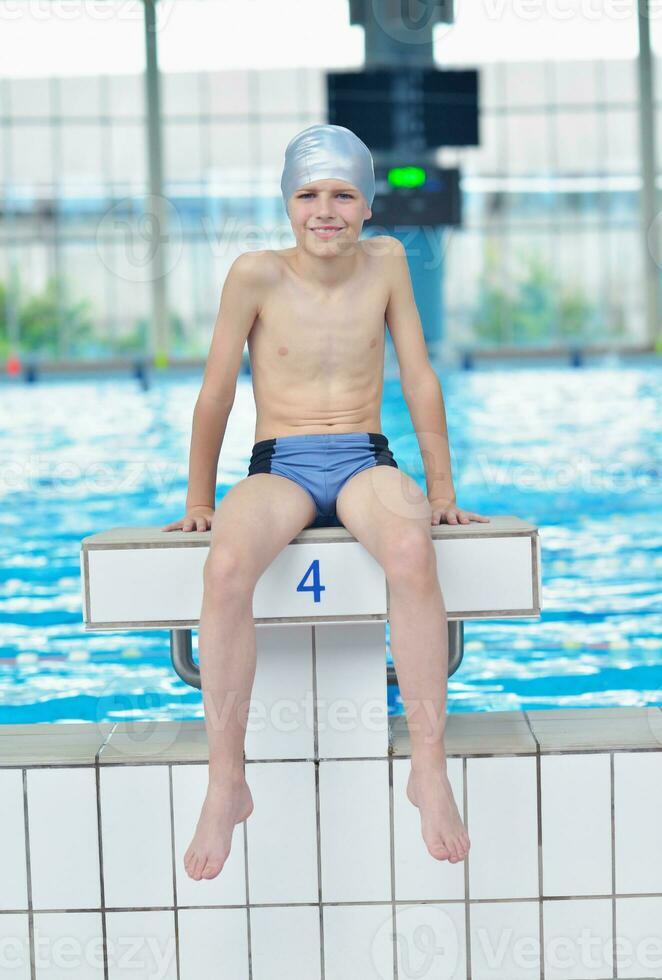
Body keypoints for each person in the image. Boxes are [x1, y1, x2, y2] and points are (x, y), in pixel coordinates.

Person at [162, 123, 489, 882]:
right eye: (309, 195)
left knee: (412, 549)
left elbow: (418, 376)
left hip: (363, 458)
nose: (326, 210)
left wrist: (441, 491)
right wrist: (198, 498)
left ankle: (428, 765)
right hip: (280, 462)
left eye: (343, 194)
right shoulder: (254, 274)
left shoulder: (388, 264)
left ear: (369, 205)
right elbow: (215, 393)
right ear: (287, 204)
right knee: (225, 569)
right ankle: (226, 780)